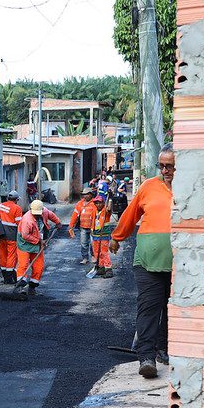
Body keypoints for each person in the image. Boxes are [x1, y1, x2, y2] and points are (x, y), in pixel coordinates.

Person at [110, 143, 175, 379]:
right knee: (149, 308)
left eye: (170, 166)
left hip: (181, 263)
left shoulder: (191, 188)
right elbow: (131, 215)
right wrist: (117, 237)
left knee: (172, 308)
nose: (165, 170)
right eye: (162, 166)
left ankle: (164, 348)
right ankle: (146, 356)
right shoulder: (149, 186)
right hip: (148, 261)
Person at [15, 199, 62, 296]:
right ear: (31, 209)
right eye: (35, 213)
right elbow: (25, 235)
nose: (37, 215)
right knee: (23, 265)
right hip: (25, 243)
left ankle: (32, 287)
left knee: (38, 266)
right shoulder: (27, 220)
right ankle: (21, 287)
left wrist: (57, 222)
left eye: (38, 213)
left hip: (37, 242)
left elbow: (50, 215)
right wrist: (39, 241)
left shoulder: (44, 211)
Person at [0, 190, 23, 284]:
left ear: (8, 198)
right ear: (16, 200)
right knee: (11, 255)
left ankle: (5, 275)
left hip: (1, 234)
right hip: (12, 235)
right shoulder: (17, 208)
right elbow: (19, 223)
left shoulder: (0, 206)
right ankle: (8, 278)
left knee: (3, 254)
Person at [68, 187, 97, 264]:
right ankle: (85, 258)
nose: (85, 196)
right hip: (83, 227)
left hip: (93, 227)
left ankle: (94, 256)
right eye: (84, 194)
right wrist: (71, 227)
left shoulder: (95, 203)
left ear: (91, 195)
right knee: (83, 243)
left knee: (93, 243)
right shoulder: (79, 204)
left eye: (87, 194)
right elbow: (74, 215)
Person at [90, 195, 114, 278]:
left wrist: (110, 198)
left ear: (103, 203)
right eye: (96, 203)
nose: (98, 204)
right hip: (95, 235)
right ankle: (101, 267)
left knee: (104, 252)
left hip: (103, 235)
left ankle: (108, 269)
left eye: (100, 203)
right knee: (96, 252)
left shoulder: (106, 211)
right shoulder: (95, 211)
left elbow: (109, 208)